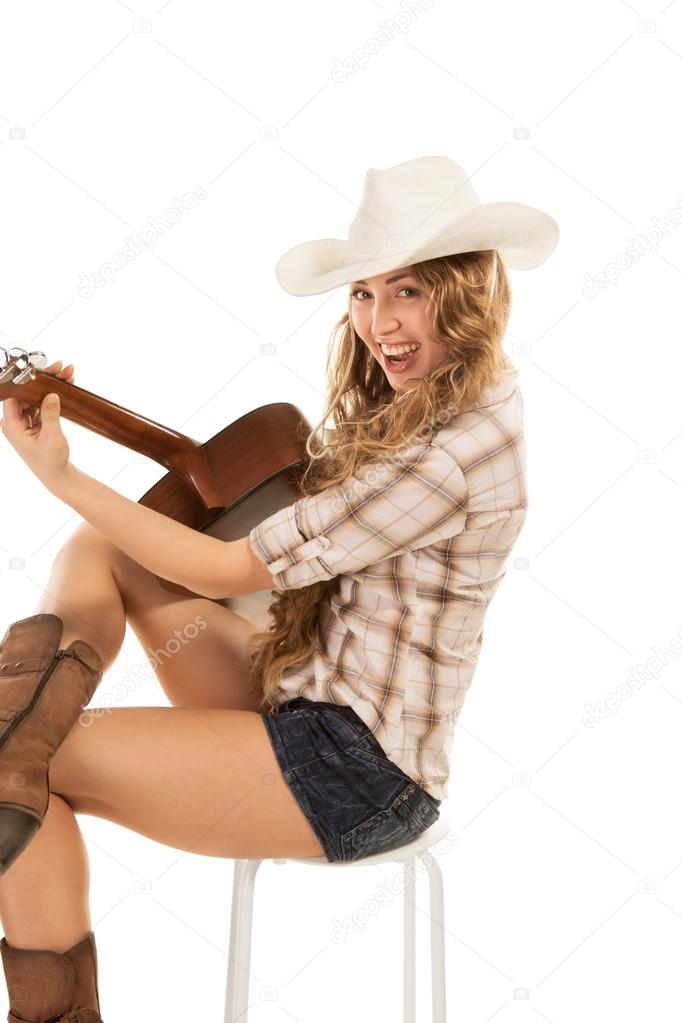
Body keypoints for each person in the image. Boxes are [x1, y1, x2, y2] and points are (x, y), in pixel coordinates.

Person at [0, 155, 558, 1020]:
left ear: (465, 290)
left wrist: (62, 475)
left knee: (11, 771)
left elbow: (224, 569)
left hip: (354, 775)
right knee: (97, 554)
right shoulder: (432, 398)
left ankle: (17, 739)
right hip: (303, 700)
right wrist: (83, 432)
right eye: (364, 293)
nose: (380, 321)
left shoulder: (454, 454)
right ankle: (18, 719)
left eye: (406, 290)